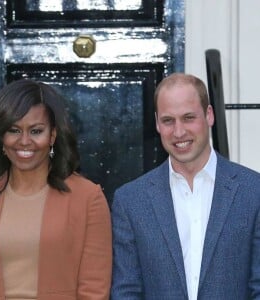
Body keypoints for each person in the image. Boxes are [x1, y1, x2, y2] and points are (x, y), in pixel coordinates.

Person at [111, 73, 260, 299]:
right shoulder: (130, 201)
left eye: (189, 117)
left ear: (209, 115)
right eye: (168, 120)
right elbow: (126, 291)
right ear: (157, 123)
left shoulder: (253, 191)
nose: (179, 132)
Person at [0, 79, 112, 300]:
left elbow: (94, 291)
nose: (24, 141)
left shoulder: (88, 198)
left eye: (36, 131)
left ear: (52, 135)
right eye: (13, 130)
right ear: (1, 136)